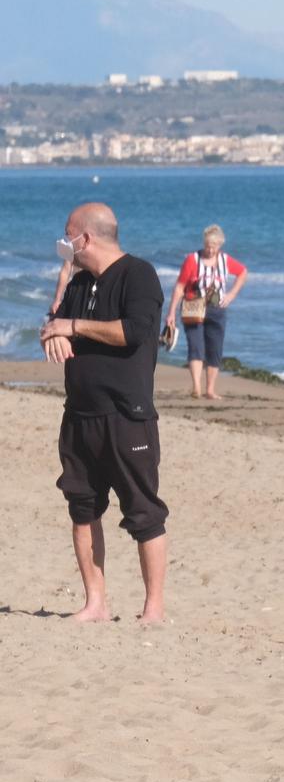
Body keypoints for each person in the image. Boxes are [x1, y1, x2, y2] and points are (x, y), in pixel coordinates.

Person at [39, 202, 167, 623]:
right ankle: (96, 602)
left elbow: (135, 331)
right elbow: (54, 322)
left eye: (67, 235)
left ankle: (152, 609)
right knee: (82, 508)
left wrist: (72, 328)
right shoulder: (78, 283)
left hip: (127, 415)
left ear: (85, 238)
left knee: (143, 512)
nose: (64, 243)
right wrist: (52, 335)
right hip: (79, 415)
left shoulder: (138, 275)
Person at [165, 224, 247, 401]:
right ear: (204, 243)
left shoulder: (225, 260)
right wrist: (171, 312)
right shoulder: (192, 260)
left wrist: (231, 295)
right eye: (208, 245)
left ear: (220, 245)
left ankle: (210, 389)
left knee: (215, 349)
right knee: (196, 347)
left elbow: (242, 272)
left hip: (217, 309)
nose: (211, 250)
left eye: (215, 246)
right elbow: (179, 287)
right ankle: (196, 388)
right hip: (193, 307)